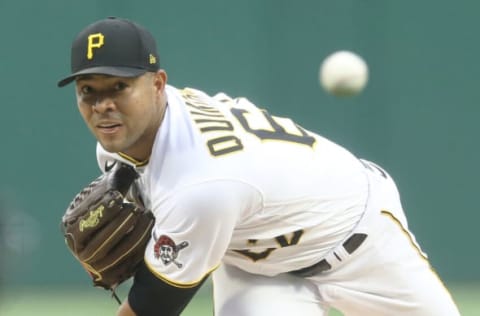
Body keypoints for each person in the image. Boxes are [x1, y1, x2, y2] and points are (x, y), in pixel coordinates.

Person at [57, 17, 460, 316]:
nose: (102, 105)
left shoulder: (200, 184)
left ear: (158, 83)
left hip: (359, 239)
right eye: (88, 91)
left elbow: (154, 305)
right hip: (256, 264)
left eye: (119, 87)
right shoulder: (124, 138)